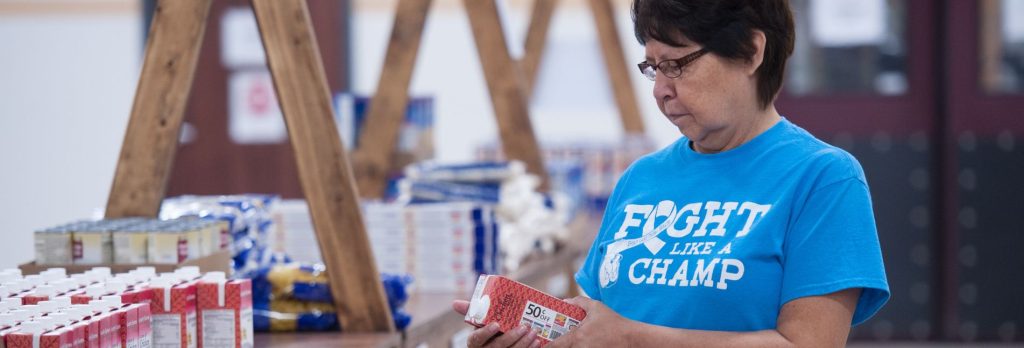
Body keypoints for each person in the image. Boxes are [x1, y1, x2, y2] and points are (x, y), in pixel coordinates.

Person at [453, 0, 889, 346]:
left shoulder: (823, 179)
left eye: (678, 64)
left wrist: (631, 338)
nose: (661, 90)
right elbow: (600, 330)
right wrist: (534, 335)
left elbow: (806, 345)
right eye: (652, 68)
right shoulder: (641, 180)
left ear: (753, 52)